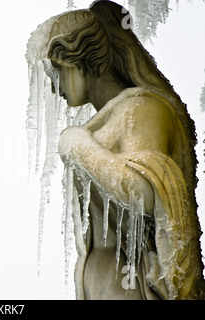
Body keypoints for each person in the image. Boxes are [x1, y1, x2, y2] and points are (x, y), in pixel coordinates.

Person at [39, 0, 205, 299]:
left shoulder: (142, 109)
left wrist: (79, 147)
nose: (55, 87)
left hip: (132, 286)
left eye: (57, 71)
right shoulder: (108, 119)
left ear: (82, 60)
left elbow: (142, 191)